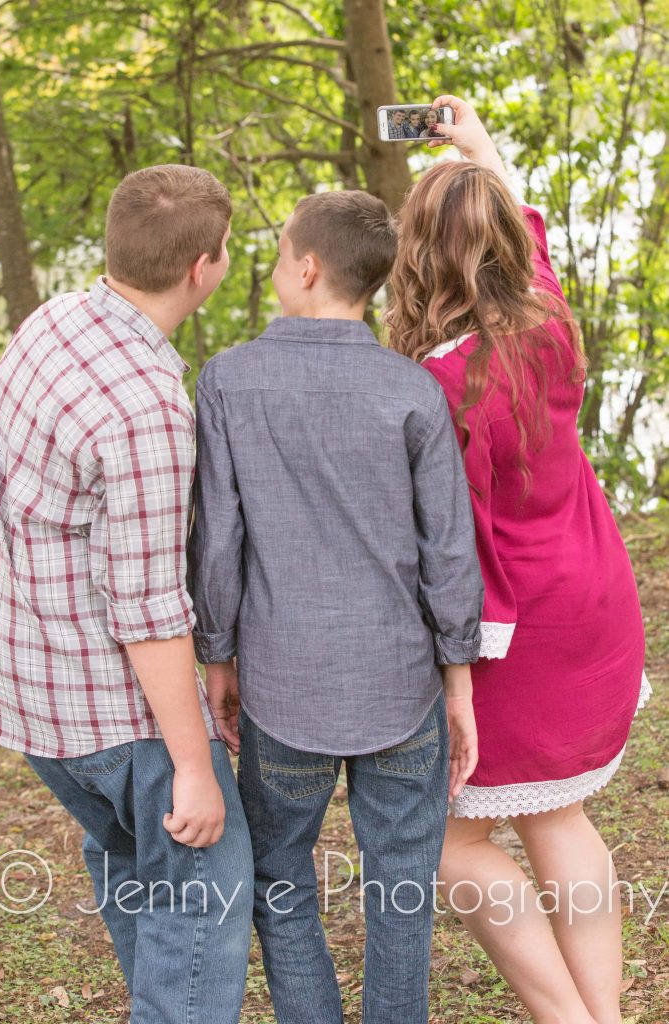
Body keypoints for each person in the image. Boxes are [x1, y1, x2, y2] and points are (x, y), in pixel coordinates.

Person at [186, 188, 485, 1024]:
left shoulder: (228, 381)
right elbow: (447, 553)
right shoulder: (413, 390)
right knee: (401, 896)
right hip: (402, 686)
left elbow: (217, 545)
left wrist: (217, 661)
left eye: (282, 253)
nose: (279, 265)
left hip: (283, 690)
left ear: (308, 267)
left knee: (280, 882)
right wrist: (457, 685)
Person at [387, 94, 652, 1024]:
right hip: (594, 601)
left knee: (446, 843)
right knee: (556, 816)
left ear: (411, 258)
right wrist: (476, 147)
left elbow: (440, 547)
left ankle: (566, 1019)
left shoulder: (433, 388)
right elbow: (518, 223)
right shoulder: (549, 316)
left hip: (516, 635)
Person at [0, 165, 254, 1024]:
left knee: (144, 886)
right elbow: (146, 607)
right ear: (204, 268)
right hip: (117, 720)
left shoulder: (55, 320)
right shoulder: (146, 411)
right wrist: (193, 768)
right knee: (203, 917)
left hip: (31, 698)